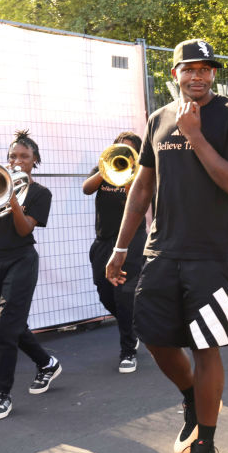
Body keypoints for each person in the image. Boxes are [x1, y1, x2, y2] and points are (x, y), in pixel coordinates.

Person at [106, 38, 228, 453]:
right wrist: (120, 247)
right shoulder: (158, 119)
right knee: (154, 339)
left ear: (213, 74)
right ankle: (195, 400)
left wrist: (195, 136)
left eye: (205, 69)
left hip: (210, 255)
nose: (197, 76)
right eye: (188, 69)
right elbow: (141, 189)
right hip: (161, 253)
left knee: (206, 347)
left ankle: (205, 446)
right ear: (174, 74)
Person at [0, 130, 57, 420]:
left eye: (24, 156)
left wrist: (11, 199)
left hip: (22, 260)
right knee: (11, 322)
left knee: (6, 329)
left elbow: (25, 229)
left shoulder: (40, 193)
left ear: (35, 161)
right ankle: (46, 363)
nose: (17, 160)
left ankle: (2, 394)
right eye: (13, 156)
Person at [82, 132, 144, 373]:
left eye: (128, 150)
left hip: (131, 241)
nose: (123, 153)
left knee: (123, 294)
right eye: (119, 148)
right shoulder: (104, 168)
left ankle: (128, 350)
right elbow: (87, 189)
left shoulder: (140, 173)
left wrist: (130, 175)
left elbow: (137, 204)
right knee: (105, 294)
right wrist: (106, 168)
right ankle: (132, 326)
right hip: (103, 241)